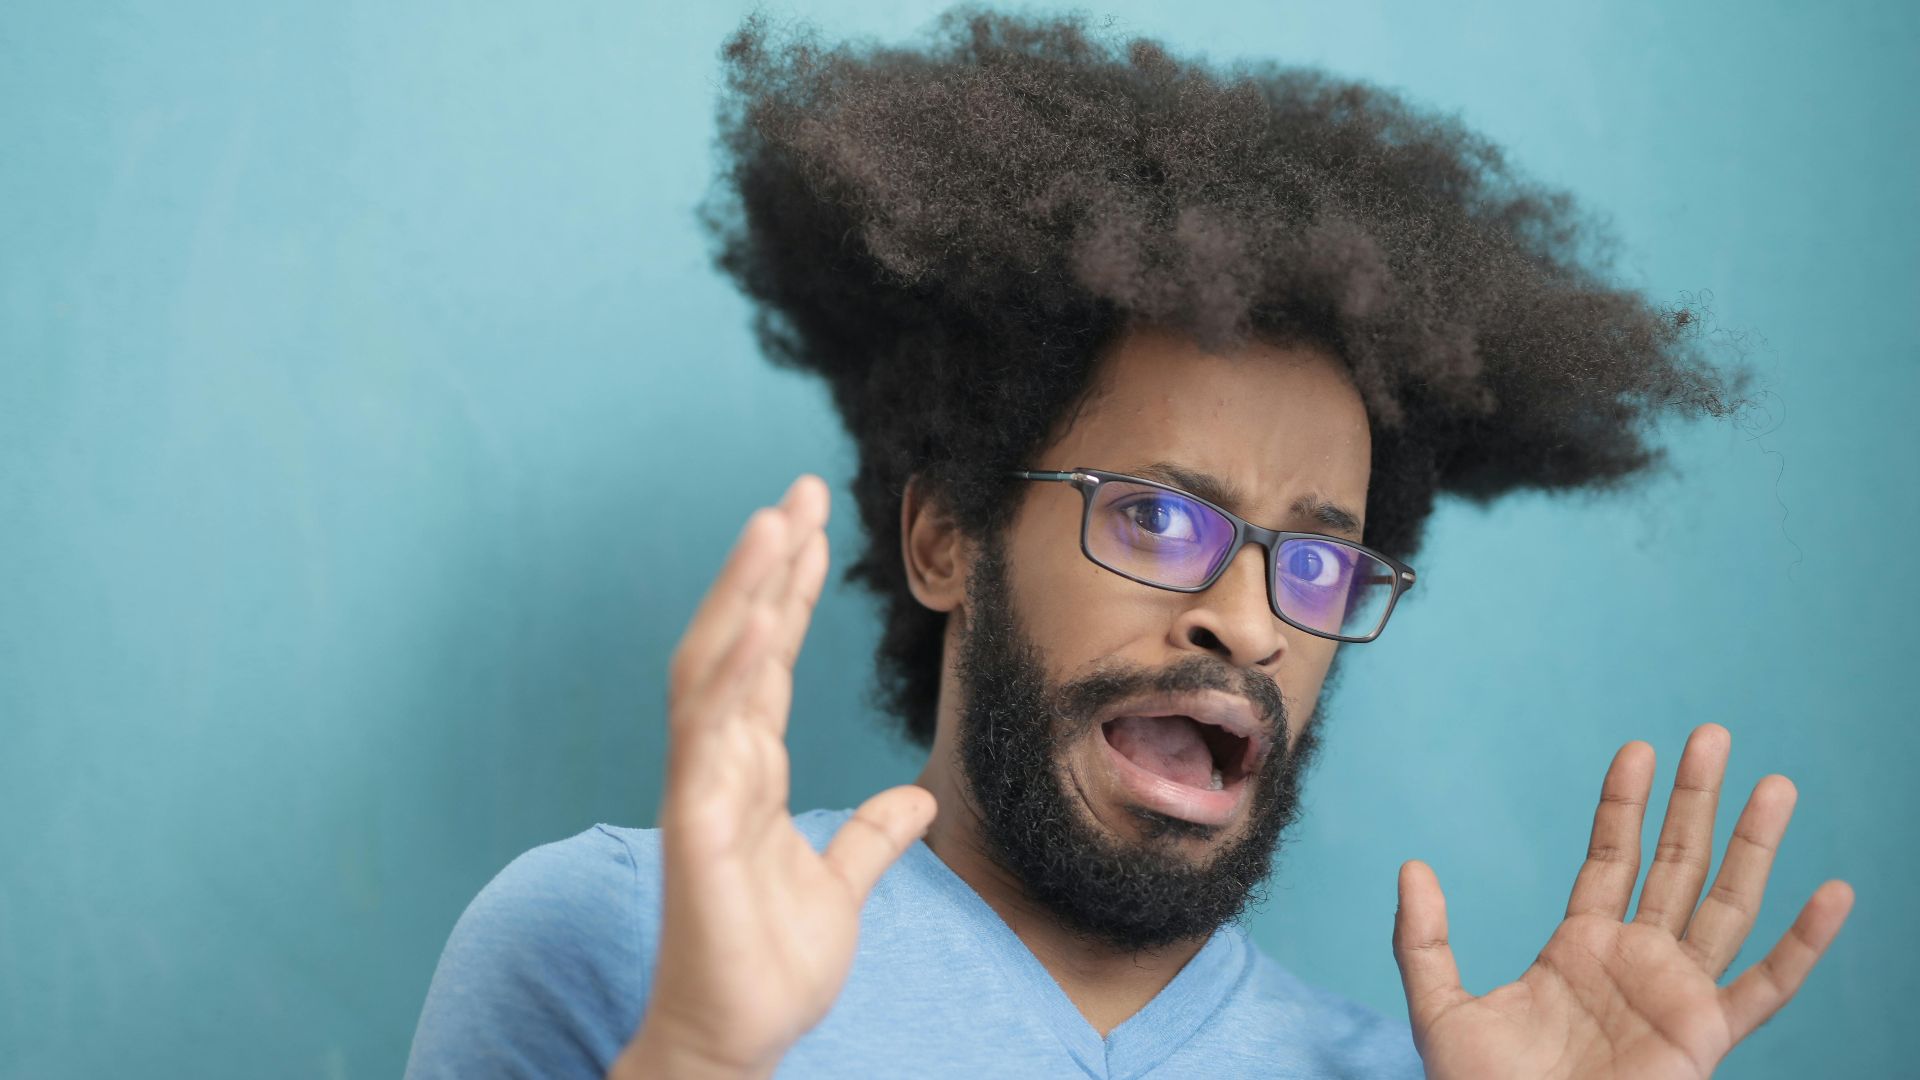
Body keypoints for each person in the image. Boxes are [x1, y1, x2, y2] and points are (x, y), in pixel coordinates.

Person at [404, 9, 1854, 1078]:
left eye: (1317, 558)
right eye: (1160, 515)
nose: (1253, 622)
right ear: (947, 539)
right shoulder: (610, 938)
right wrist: (705, 1058)